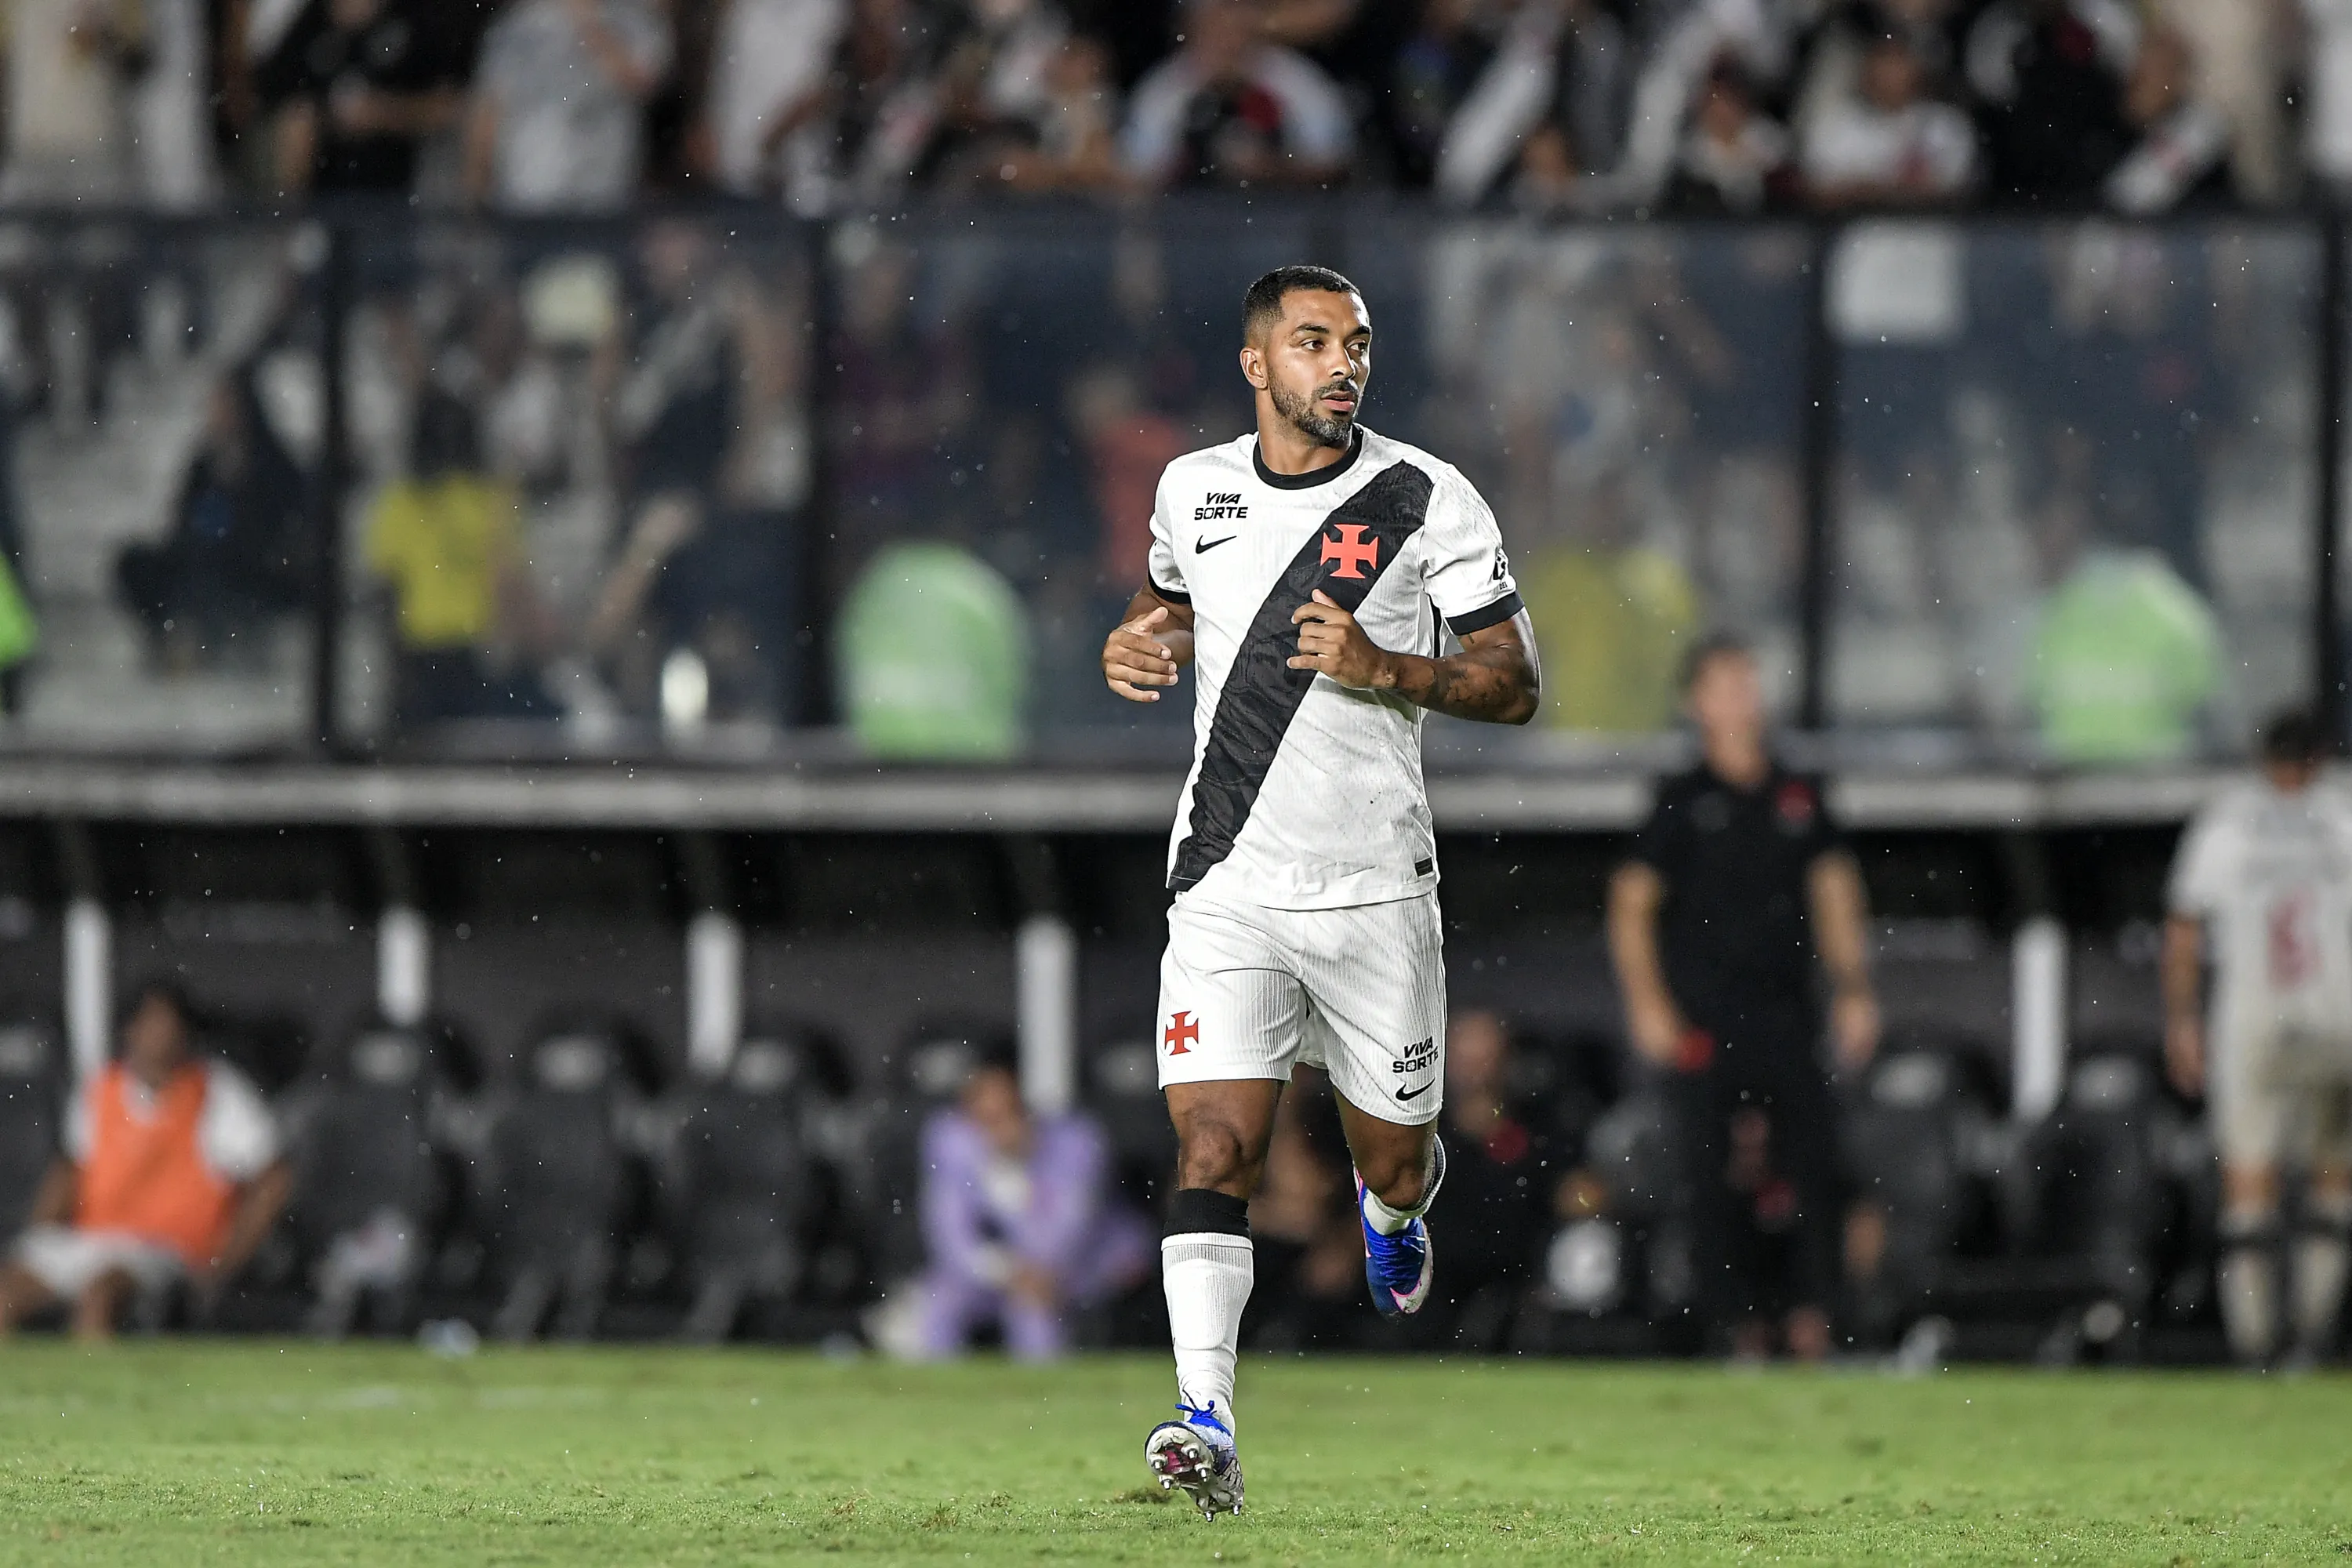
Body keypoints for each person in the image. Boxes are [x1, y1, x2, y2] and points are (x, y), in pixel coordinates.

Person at [1101, 264, 1541, 1515]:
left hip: (1373, 893)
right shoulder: (1195, 489)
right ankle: (1207, 1421)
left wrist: (1387, 663)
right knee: (1216, 1140)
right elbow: (1172, 606)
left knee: (1396, 1163)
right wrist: (1141, 640)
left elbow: (1513, 683)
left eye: (1355, 343)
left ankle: (1390, 1210)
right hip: (1226, 876)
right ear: (1258, 364)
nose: (1342, 363)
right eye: (1313, 343)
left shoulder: (1424, 496)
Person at [1606, 633, 1878, 1361]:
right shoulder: (1682, 799)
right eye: (1725, 684)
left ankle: (1815, 1316)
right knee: (1708, 1170)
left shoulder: (1797, 792)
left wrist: (1853, 988)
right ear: (1696, 702)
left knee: (1813, 1163)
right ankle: (1733, 1322)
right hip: (1706, 1016)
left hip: (1788, 1010)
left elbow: (1834, 890)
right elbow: (1632, 903)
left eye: (1747, 681)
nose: (1741, 697)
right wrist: (1649, 1005)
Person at [2162, 710, 2352, 1368]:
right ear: (2322, 755)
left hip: (2253, 1021)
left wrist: (2182, 1019)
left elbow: (2184, 928)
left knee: (2249, 1187)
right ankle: (2309, 1339)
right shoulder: (2345, 814)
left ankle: (2254, 1348)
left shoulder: (2228, 823)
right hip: (2338, 1019)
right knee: (2333, 1185)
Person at [0, 982, 291, 1340]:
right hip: (92, 1239)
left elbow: (273, 1181)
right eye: (151, 1024)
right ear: (130, 1030)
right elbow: (71, 1170)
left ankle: (97, 1389)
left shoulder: (217, 1092)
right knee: (5, 1296)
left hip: (165, 1249)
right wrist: (41, 1234)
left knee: (99, 1298)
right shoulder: (100, 1089)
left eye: (169, 1026)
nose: (160, 1037)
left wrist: (224, 1263)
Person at [912, 1060, 1151, 1360]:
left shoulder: (1078, 1142)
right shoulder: (953, 1145)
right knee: (941, 1302)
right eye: (988, 1120)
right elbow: (950, 1234)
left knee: (1033, 1316)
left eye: (1009, 1114)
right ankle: (939, 1401)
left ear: (1026, 1109)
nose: (1001, 1129)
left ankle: (1044, 1402)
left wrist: (1020, 1171)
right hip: (1009, 1272)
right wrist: (1006, 1271)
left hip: (1087, 1265)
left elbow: (1071, 1230)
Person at [115, 368, 310, 670]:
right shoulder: (204, 463)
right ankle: (172, 641)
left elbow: (288, 520)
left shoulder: (272, 461)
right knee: (138, 564)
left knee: (216, 565)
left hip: (254, 567)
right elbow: (182, 518)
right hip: (200, 555)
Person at [1120, 0, 1354, 190]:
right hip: (1184, 229)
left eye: (1236, 30)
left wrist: (1270, 168)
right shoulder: (1165, 88)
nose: (1227, 41)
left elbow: (1334, 163)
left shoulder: (1294, 80)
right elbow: (1134, 174)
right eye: (1215, 28)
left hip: (1284, 224)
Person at [463, 0, 672, 212]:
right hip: (529, 192)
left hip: (605, 191)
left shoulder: (635, 18)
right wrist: (475, 193)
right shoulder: (518, 23)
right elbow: (488, 110)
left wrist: (587, 21)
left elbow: (642, 84)